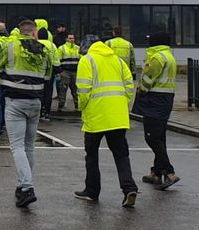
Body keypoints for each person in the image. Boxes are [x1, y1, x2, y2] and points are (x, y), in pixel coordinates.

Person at [0, 20, 48, 208]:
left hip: (15, 101)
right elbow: (48, 76)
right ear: (34, 32)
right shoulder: (43, 50)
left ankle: (27, 186)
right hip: (36, 101)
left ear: (20, 31)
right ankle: (22, 186)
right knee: (29, 146)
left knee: (17, 147)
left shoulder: (10, 46)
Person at [73, 39, 139, 208]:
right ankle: (129, 188)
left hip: (96, 115)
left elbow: (83, 89)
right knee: (121, 154)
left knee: (92, 155)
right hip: (118, 116)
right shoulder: (117, 60)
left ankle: (92, 191)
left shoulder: (87, 60)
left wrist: (82, 107)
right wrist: (122, 102)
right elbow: (129, 85)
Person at [134, 30, 180, 189]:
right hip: (166, 99)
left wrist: (140, 91)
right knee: (159, 137)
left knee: (151, 138)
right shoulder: (169, 56)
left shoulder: (157, 57)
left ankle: (169, 172)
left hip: (154, 99)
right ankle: (156, 173)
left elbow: (147, 79)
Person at [36, 19, 58, 122]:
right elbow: (55, 59)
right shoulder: (52, 45)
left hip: (38, 72)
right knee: (48, 93)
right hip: (50, 72)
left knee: (39, 92)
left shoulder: (35, 43)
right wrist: (57, 69)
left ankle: (39, 112)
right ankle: (47, 113)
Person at [56, 33, 81, 111]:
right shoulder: (61, 48)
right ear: (66, 39)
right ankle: (61, 106)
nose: (71, 40)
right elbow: (57, 60)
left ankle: (77, 106)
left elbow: (81, 59)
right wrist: (60, 71)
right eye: (70, 38)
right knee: (63, 89)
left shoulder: (78, 48)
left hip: (75, 72)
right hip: (65, 72)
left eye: (73, 38)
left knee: (76, 90)